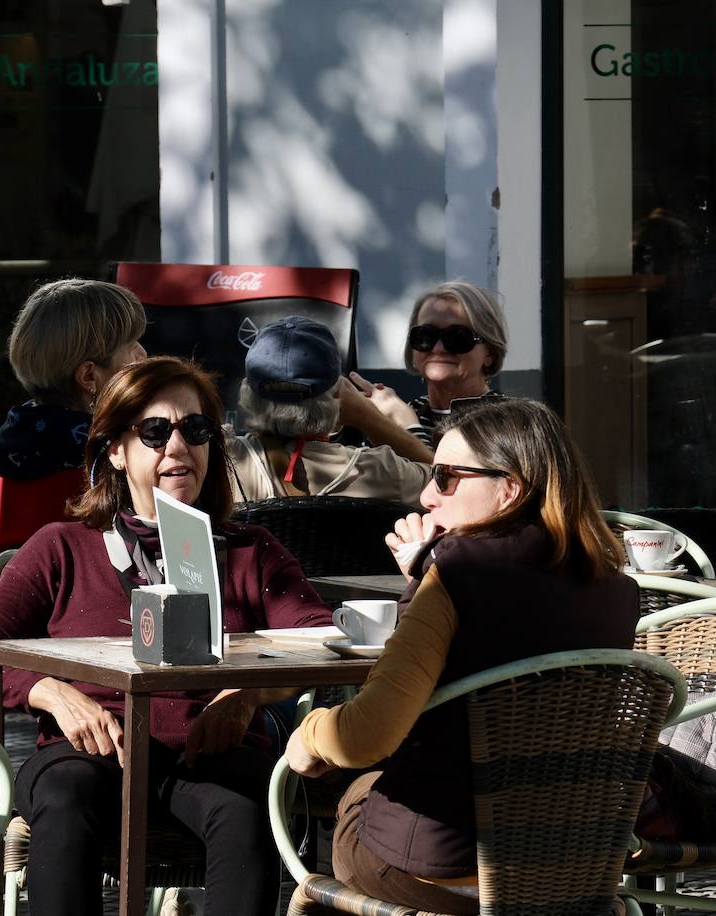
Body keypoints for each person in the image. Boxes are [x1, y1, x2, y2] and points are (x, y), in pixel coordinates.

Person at [0, 356, 334, 916]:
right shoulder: (63, 547)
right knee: (64, 797)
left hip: (210, 753)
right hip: (92, 752)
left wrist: (251, 694)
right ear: (116, 451)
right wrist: (52, 691)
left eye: (195, 430)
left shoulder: (249, 550)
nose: (177, 447)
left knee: (246, 807)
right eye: (154, 431)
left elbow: (319, 638)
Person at [284, 398, 635, 914]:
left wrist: (308, 733)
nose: (427, 495)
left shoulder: (456, 574)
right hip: (564, 869)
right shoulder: (617, 589)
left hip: (441, 871)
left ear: (508, 490)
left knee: (358, 794)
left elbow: (366, 737)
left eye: (447, 478)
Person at [0, 278, 148, 554]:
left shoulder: (15, 444)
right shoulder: (103, 461)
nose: (143, 354)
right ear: (89, 376)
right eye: (131, 346)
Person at [229, 315, 432, 503]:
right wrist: (373, 418)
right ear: (338, 394)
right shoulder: (378, 470)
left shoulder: (223, 459)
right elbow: (441, 484)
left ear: (247, 394)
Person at [398, 280, 509, 448]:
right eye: (425, 336)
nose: (438, 348)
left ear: (490, 354)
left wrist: (407, 431)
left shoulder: (511, 421)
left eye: (458, 337)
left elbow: (450, 473)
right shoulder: (402, 413)